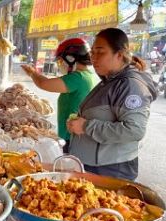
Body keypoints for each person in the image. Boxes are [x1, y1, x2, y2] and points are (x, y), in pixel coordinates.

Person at [67, 28, 158, 181]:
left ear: (119, 55)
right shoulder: (109, 81)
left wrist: (86, 126)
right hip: (94, 166)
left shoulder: (129, 85)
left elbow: (134, 130)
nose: (93, 58)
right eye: (92, 52)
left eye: (100, 52)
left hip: (111, 169)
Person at [21, 38, 96, 152]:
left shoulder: (78, 78)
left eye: (61, 61)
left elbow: (44, 84)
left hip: (71, 138)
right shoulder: (88, 76)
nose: (60, 65)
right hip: (72, 136)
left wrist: (32, 72)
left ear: (70, 59)